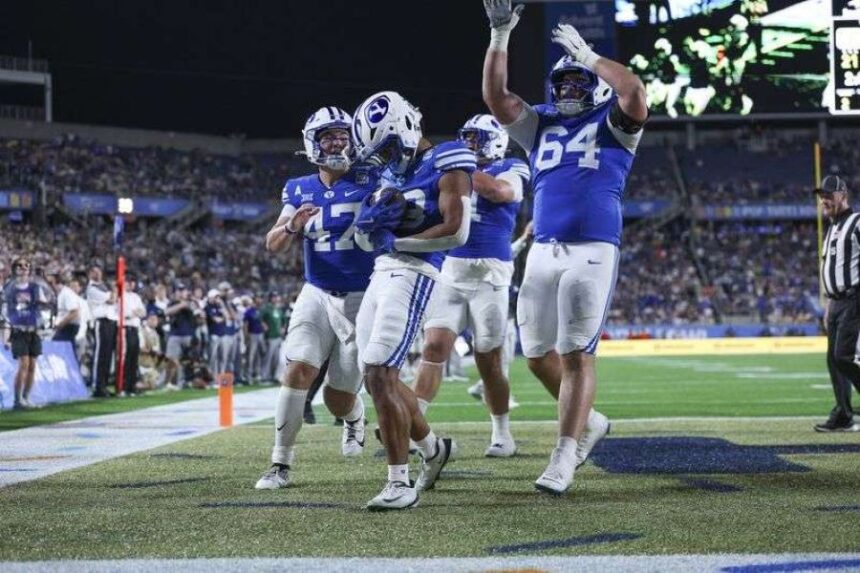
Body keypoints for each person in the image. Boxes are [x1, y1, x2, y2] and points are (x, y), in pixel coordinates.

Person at [482, 0, 648, 494]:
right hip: (544, 249)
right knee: (536, 355)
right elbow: (496, 98)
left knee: (576, 353)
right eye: (564, 84)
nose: (570, 90)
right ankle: (590, 420)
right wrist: (499, 36)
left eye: (579, 83)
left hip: (593, 248)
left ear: (594, 87)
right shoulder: (541, 124)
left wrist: (590, 56)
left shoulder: (613, 124)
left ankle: (565, 453)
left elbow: (634, 90)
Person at [351, 90, 474, 510]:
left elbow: (457, 232)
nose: (384, 157)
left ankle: (399, 483)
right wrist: (368, 230)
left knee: (383, 374)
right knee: (374, 377)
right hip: (381, 273)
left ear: (405, 126)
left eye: (385, 146)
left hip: (415, 273)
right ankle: (435, 449)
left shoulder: (448, 158)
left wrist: (394, 239)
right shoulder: (389, 175)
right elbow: (368, 237)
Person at [254, 106, 378, 491]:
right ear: (312, 143)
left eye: (343, 135)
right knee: (298, 369)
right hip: (317, 291)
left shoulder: (373, 176)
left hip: (363, 297)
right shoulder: (299, 187)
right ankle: (280, 463)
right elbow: (272, 244)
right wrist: (292, 224)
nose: (337, 142)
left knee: (337, 397)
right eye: (328, 136)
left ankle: (354, 416)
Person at [412, 113, 530, 458]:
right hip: (451, 269)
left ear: (495, 141)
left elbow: (499, 191)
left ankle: (502, 432)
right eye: (467, 139)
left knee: (488, 359)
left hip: (490, 275)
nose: (469, 146)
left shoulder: (511, 167)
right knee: (433, 348)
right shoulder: (454, 170)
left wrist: (454, 166)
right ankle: (413, 426)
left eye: (477, 140)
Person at [816, 175, 860, 432]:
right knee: (833, 359)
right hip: (836, 303)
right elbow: (831, 271)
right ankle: (844, 414)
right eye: (822, 195)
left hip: (854, 298)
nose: (824, 199)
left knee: (843, 356)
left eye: (829, 194)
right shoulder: (832, 228)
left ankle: (845, 412)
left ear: (843, 195)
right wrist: (829, 305)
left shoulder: (856, 223)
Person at [1, 258, 48, 409]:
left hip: (33, 331)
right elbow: (4, 312)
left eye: (26, 265)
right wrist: (6, 336)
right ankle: (17, 400)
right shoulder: (9, 288)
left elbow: (42, 307)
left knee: (33, 366)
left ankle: (26, 398)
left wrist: (42, 326)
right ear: (15, 269)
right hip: (18, 330)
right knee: (24, 364)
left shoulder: (35, 287)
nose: (23, 268)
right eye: (20, 265)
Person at [86, 263, 117, 398]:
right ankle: (97, 385)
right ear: (90, 274)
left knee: (108, 355)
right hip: (101, 322)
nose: (98, 274)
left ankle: (104, 385)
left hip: (110, 321)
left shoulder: (104, 287)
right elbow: (111, 300)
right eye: (94, 271)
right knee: (100, 355)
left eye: (99, 271)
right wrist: (115, 290)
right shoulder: (92, 288)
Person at [164, 282, 196, 389]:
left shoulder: (192, 302)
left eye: (183, 291)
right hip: (175, 335)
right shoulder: (172, 303)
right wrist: (181, 305)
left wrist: (187, 303)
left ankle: (184, 382)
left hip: (189, 335)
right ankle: (169, 382)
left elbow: (196, 311)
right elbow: (167, 312)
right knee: (172, 360)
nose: (181, 293)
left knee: (188, 361)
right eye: (179, 291)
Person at [121, 273, 147, 395]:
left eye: (133, 282)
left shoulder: (136, 296)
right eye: (128, 281)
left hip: (135, 328)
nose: (131, 284)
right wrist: (134, 312)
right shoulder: (121, 296)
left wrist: (134, 313)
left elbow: (143, 312)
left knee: (133, 357)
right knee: (126, 357)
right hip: (125, 328)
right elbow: (125, 313)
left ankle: (132, 384)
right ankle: (125, 385)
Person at [259, 292, 285, 383]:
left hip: (278, 336)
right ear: (270, 298)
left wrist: (282, 328)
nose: (276, 298)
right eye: (274, 297)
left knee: (276, 358)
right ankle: (264, 377)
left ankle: (273, 376)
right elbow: (260, 318)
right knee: (268, 358)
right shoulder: (266, 308)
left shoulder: (278, 309)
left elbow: (283, 320)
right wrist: (264, 326)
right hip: (270, 336)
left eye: (276, 297)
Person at [243, 294, 266, 382]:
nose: (260, 300)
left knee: (260, 355)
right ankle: (248, 376)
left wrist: (264, 326)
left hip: (260, 334)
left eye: (260, 298)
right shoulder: (249, 311)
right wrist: (246, 337)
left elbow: (261, 321)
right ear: (254, 300)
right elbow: (245, 325)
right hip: (252, 334)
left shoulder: (260, 310)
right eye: (258, 298)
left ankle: (258, 374)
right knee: (250, 356)